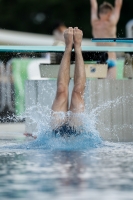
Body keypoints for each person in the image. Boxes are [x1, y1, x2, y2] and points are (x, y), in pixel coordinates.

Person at [51, 27, 86, 137]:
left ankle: (77, 47)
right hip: (57, 139)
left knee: (77, 91)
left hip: (75, 140)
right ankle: (68, 47)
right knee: (61, 90)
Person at [90, 0, 123, 79]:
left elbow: (93, 5)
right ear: (109, 14)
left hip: (99, 57)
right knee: (111, 87)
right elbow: (118, 4)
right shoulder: (111, 22)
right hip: (111, 57)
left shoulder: (94, 22)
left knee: (100, 88)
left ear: (99, 13)